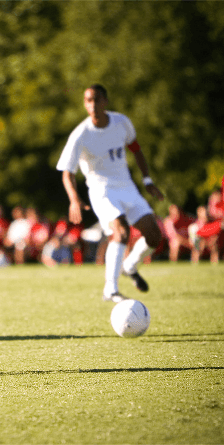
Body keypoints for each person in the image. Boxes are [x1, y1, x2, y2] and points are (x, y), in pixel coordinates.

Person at [57, 84, 164, 303]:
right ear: (85, 104)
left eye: (96, 99)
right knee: (121, 231)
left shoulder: (121, 122)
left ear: (105, 101)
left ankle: (130, 266)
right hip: (101, 191)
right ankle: (110, 290)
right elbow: (67, 173)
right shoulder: (81, 134)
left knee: (154, 235)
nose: (92, 105)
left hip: (127, 187)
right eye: (88, 100)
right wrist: (74, 199)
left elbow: (136, 149)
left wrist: (147, 180)